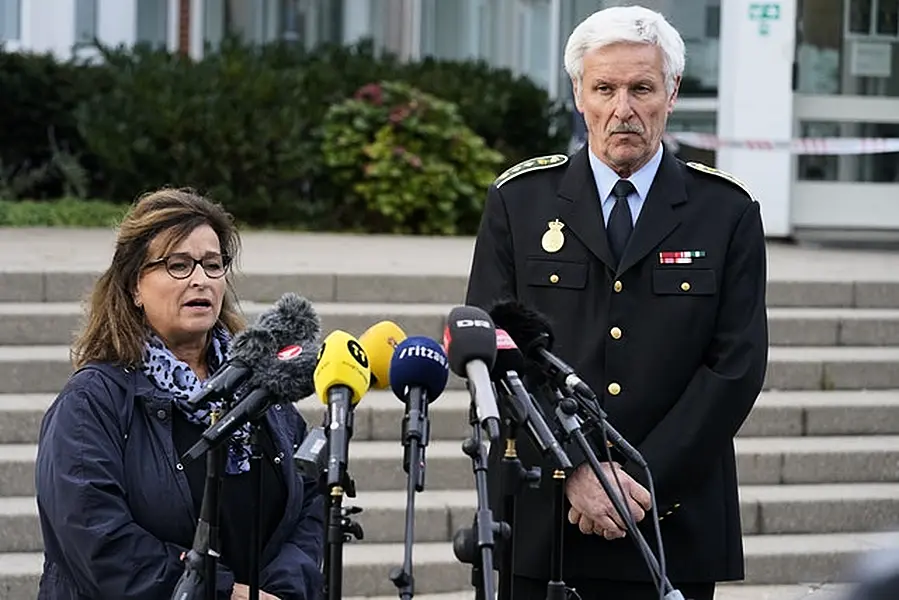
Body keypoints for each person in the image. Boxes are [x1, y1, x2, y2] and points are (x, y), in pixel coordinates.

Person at [465, 5, 768, 600]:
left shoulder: (726, 211)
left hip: (670, 521)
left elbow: (735, 365)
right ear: (579, 94)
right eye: (604, 88)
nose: (622, 109)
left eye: (641, 88)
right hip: (549, 517)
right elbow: (493, 353)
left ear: (672, 92)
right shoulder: (519, 202)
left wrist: (637, 478)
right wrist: (571, 468)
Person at [35, 188, 323, 600]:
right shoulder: (90, 402)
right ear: (135, 285)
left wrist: (278, 590)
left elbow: (308, 501)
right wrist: (227, 594)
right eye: (178, 265)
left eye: (212, 264)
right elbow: (95, 539)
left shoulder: (258, 384)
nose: (200, 279)